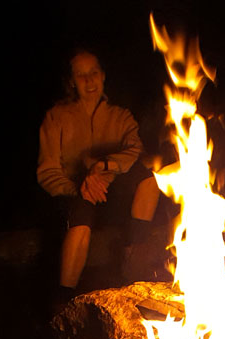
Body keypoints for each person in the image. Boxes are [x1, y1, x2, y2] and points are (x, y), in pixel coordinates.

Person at [37, 48, 161, 309]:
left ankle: (133, 265)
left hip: (112, 193)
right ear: (71, 81)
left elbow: (135, 150)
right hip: (74, 195)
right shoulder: (56, 117)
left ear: (103, 76)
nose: (89, 80)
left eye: (93, 72)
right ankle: (63, 298)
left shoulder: (120, 116)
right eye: (80, 75)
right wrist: (79, 187)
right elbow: (47, 172)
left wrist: (103, 166)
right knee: (81, 212)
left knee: (148, 177)